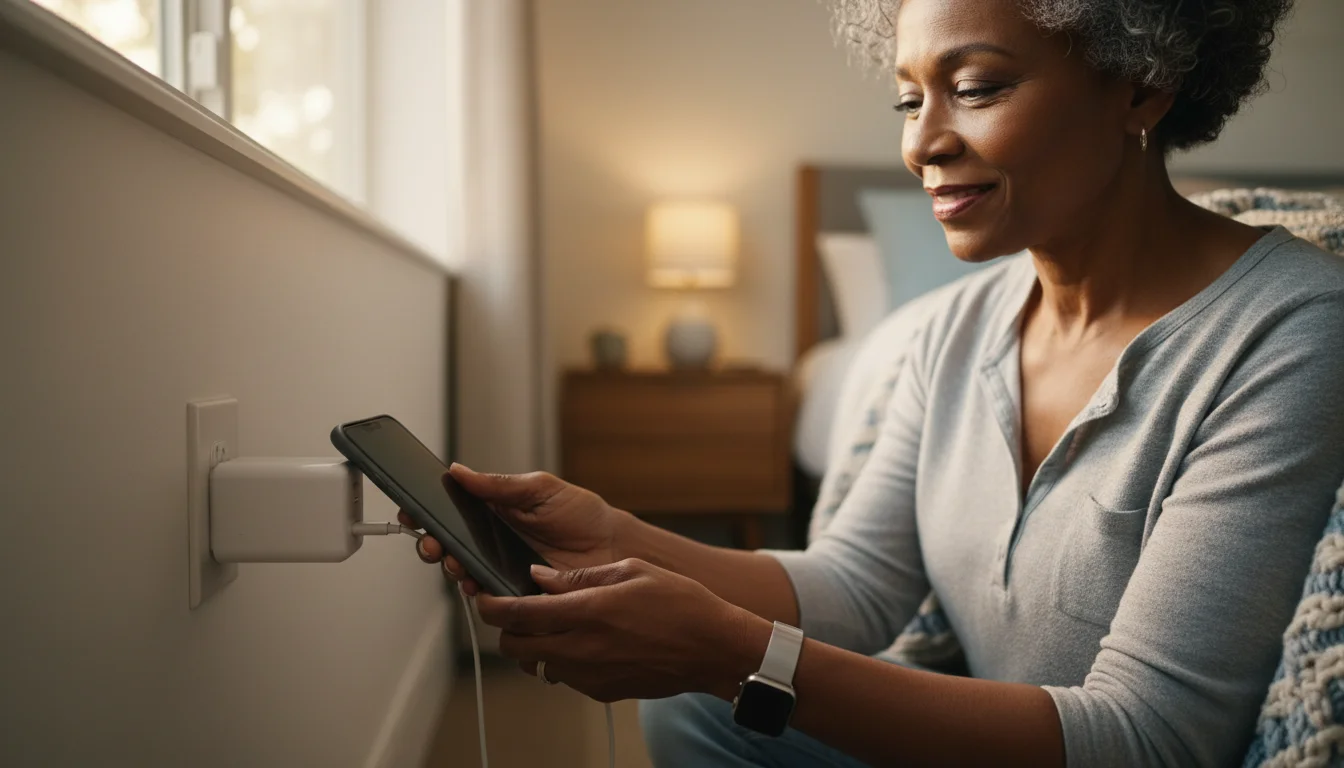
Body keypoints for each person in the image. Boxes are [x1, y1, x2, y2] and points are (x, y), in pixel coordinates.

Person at [403, 0, 1344, 764]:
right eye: (908, 101)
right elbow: (857, 585)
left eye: (976, 88)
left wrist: (733, 650)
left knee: (721, 689)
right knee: (691, 715)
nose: (922, 144)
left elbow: (1148, 739)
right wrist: (611, 533)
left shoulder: (1292, 331)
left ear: (1144, 84)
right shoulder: (948, 331)